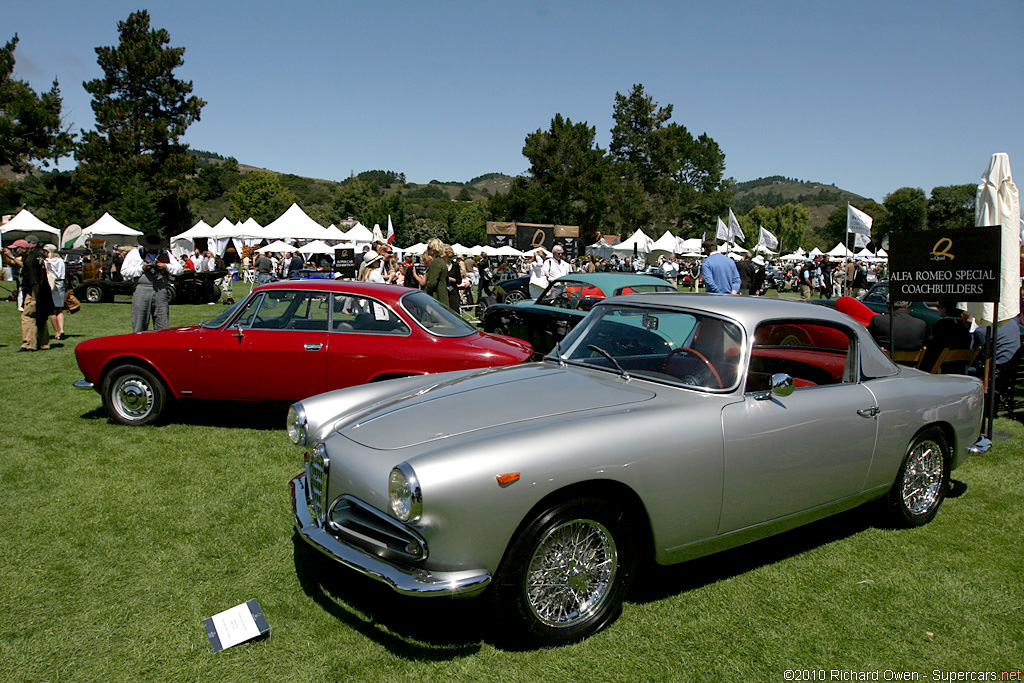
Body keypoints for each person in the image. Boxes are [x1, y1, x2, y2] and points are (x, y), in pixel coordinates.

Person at [121, 231, 183, 333]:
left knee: (162, 324)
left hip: (161, 290)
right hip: (142, 290)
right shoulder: (135, 253)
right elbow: (124, 271)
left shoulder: (165, 254)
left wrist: (166, 266)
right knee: (139, 324)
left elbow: (179, 269)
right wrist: (141, 268)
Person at [18, 234, 54, 351]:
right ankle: (44, 343)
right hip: (44, 292)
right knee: (42, 317)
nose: (15, 250)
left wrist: (33, 298)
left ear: (25, 248)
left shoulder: (30, 260)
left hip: (34, 292)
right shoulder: (38, 256)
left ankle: (29, 344)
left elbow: (34, 281)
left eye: (16, 248)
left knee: (28, 317)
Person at [921, 302, 973, 373]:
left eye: (938, 307)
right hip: (960, 370)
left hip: (940, 369)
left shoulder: (940, 326)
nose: (937, 309)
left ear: (944, 309)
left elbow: (931, 347)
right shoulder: (965, 329)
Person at [44, 244, 68, 340]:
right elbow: (62, 274)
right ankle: (62, 330)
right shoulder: (61, 261)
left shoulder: (46, 262)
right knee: (59, 309)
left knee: (52, 310)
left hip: (51, 283)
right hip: (60, 283)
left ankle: (56, 332)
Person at [423, 238, 449, 305]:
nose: (427, 250)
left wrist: (425, 293)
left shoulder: (436, 263)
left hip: (437, 299)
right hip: (442, 297)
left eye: (429, 247)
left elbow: (432, 283)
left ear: (433, 250)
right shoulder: (441, 261)